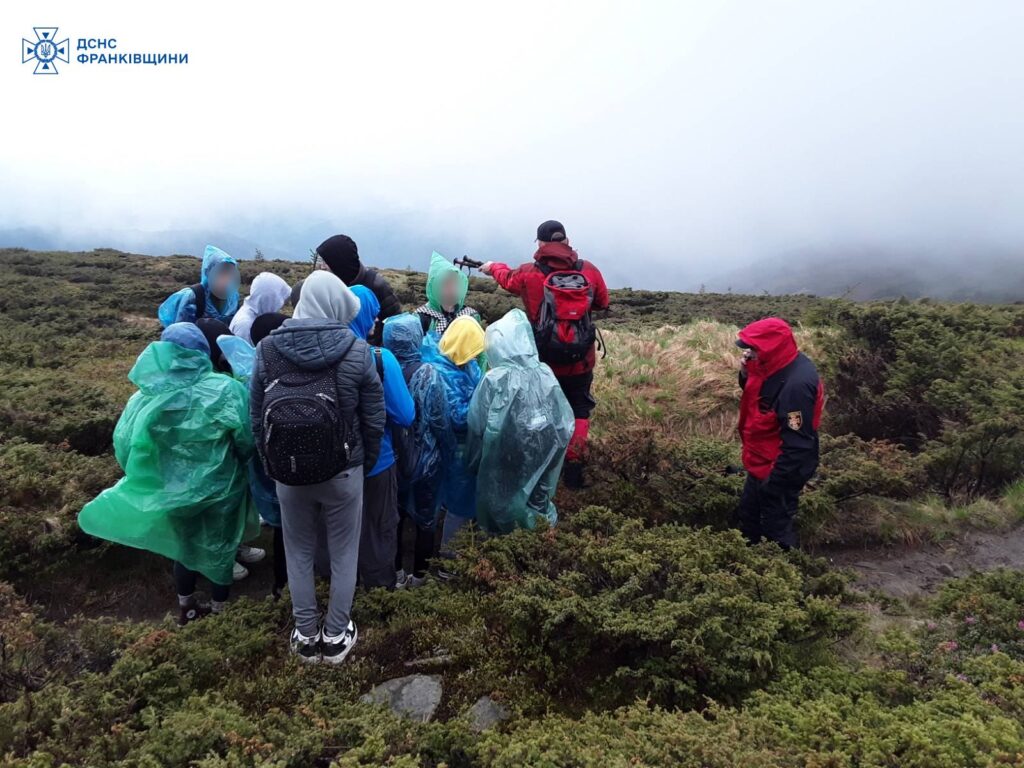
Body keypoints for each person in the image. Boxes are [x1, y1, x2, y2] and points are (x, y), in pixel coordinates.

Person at [78, 323, 258, 626]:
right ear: (202, 351)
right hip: (221, 486)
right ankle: (219, 608)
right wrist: (239, 465)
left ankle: (186, 606)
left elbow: (124, 444)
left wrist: (150, 476)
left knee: (184, 547)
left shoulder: (144, 397)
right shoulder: (225, 389)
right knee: (220, 545)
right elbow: (245, 439)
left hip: (169, 489)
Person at [250, 271, 385, 664]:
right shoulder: (357, 350)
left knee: (298, 549)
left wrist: (270, 461)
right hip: (344, 469)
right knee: (344, 552)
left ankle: (305, 634)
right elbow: (374, 419)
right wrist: (364, 461)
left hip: (287, 472)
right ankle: (336, 634)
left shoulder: (267, 350)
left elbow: (256, 416)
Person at [480, 220, 609, 489]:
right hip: (581, 360)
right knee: (579, 409)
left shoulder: (529, 273)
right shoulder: (589, 270)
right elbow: (602, 302)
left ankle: (544, 466)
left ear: (539, 243)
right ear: (566, 240)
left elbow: (507, 279)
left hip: (544, 361)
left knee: (543, 411)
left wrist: (493, 267)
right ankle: (573, 470)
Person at [467, 309, 575, 534]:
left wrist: (474, 461)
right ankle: (537, 539)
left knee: (503, 503)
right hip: (542, 449)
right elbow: (564, 421)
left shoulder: (495, 378)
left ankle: (502, 548)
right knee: (536, 499)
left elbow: (477, 425)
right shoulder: (544, 373)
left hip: (505, 456)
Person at [735, 317, 824, 550]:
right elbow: (761, 398)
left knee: (775, 530)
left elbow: (798, 444)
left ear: (769, 348)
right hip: (759, 462)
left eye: (753, 348)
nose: (749, 353)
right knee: (749, 518)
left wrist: (775, 485)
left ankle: (783, 577)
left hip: (779, 468)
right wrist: (746, 373)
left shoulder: (796, 387)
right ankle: (751, 571)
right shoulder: (773, 366)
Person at [348, 285, 415, 590]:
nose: (376, 323)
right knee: (378, 529)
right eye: (373, 315)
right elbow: (405, 414)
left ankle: (337, 593)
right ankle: (378, 594)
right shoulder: (379, 358)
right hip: (377, 463)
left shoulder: (315, 349)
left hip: (329, 465)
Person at [384, 313, 440, 588]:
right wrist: (448, 451)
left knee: (394, 517)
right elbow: (441, 420)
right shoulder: (428, 373)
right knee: (426, 519)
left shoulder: (379, 366)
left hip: (391, 459)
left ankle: (394, 573)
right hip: (426, 459)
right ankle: (419, 576)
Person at [421, 315, 485, 555]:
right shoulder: (442, 373)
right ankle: (448, 557)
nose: (476, 356)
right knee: (458, 501)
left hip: (464, 446)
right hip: (452, 448)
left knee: (458, 499)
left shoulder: (465, 363)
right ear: (464, 346)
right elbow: (458, 417)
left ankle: (460, 546)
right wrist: (485, 404)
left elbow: (478, 383)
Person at [292, 234, 401, 345]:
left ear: (340, 262)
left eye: (326, 262)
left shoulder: (376, 285)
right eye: (321, 261)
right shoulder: (323, 289)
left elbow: (396, 325)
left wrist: (381, 354)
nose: (322, 266)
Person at [158, 245, 241, 327]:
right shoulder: (193, 297)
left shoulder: (233, 297)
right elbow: (182, 334)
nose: (226, 280)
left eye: (230, 274)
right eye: (221, 274)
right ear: (207, 272)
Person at [415, 251, 482, 336]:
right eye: (446, 283)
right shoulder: (421, 317)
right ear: (434, 287)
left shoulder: (470, 316)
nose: (452, 289)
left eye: (456, 283)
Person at [229, 272, 292, 344]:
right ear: (271, 299)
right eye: (281, 301)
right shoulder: (245, 324)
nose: (282, 306)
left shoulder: (253, 314)